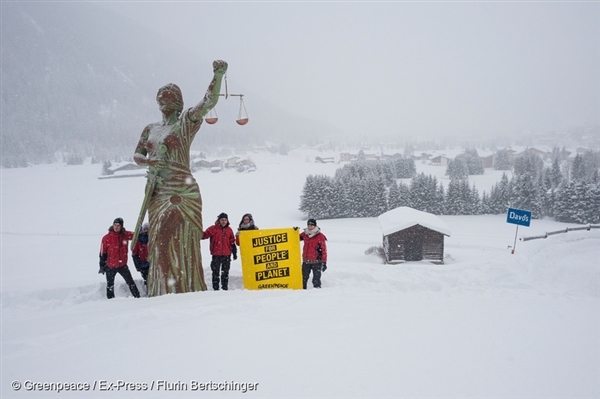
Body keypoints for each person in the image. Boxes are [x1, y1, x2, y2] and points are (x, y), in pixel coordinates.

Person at [133, 60, 228, 296]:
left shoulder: (185, 123)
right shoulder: (150, 129)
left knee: (171, 240)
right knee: (157, 242)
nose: (163, 102)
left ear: (178, 103)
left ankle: (183, 287)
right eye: (160, 99)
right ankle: (163, 289)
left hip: (182, 192)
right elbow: (137, 154)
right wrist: (149, 162)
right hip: (157, 191)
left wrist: (218, 76)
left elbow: (209, 103)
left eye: (168, 98)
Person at [99, 218, 141, 299]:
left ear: (121, 226)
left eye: (118, 225)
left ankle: (138, 298)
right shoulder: (106, 238)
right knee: (110, 285)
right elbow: (102, 253)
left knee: (131, 282)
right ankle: (111, 301)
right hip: (110, 266)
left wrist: (143, 232)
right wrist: (102, 266)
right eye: (115, 225)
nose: (116, 227)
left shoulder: (125, 235)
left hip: (122, 265)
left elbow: (136, 236)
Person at [202, 213, 237, 291]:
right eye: (222, 220)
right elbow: (204, 235)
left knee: (225, 273)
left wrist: (234, 252)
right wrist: (196, 232)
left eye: (225, 220)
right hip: (216, 255)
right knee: (215, 272)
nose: (223, 221)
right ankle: (216, 289)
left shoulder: (229, 230)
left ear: (227, 220)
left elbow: (232, 241)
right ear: (219, 220)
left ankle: (225, 288)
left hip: (227, 255)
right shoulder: (213, 229)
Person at [300, 218, 328, 289]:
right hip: (306, 261)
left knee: (316, 279)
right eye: (308, 225)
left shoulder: (320, 236)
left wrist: (324, 262)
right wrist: (293, 231)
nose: (310, 226)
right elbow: (295, 238)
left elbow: (324, 250)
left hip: (316, 261)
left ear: (315, 226)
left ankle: (317, 292)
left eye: (312, 225)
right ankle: (302, 291)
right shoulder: (305, 234)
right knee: (303, 278)